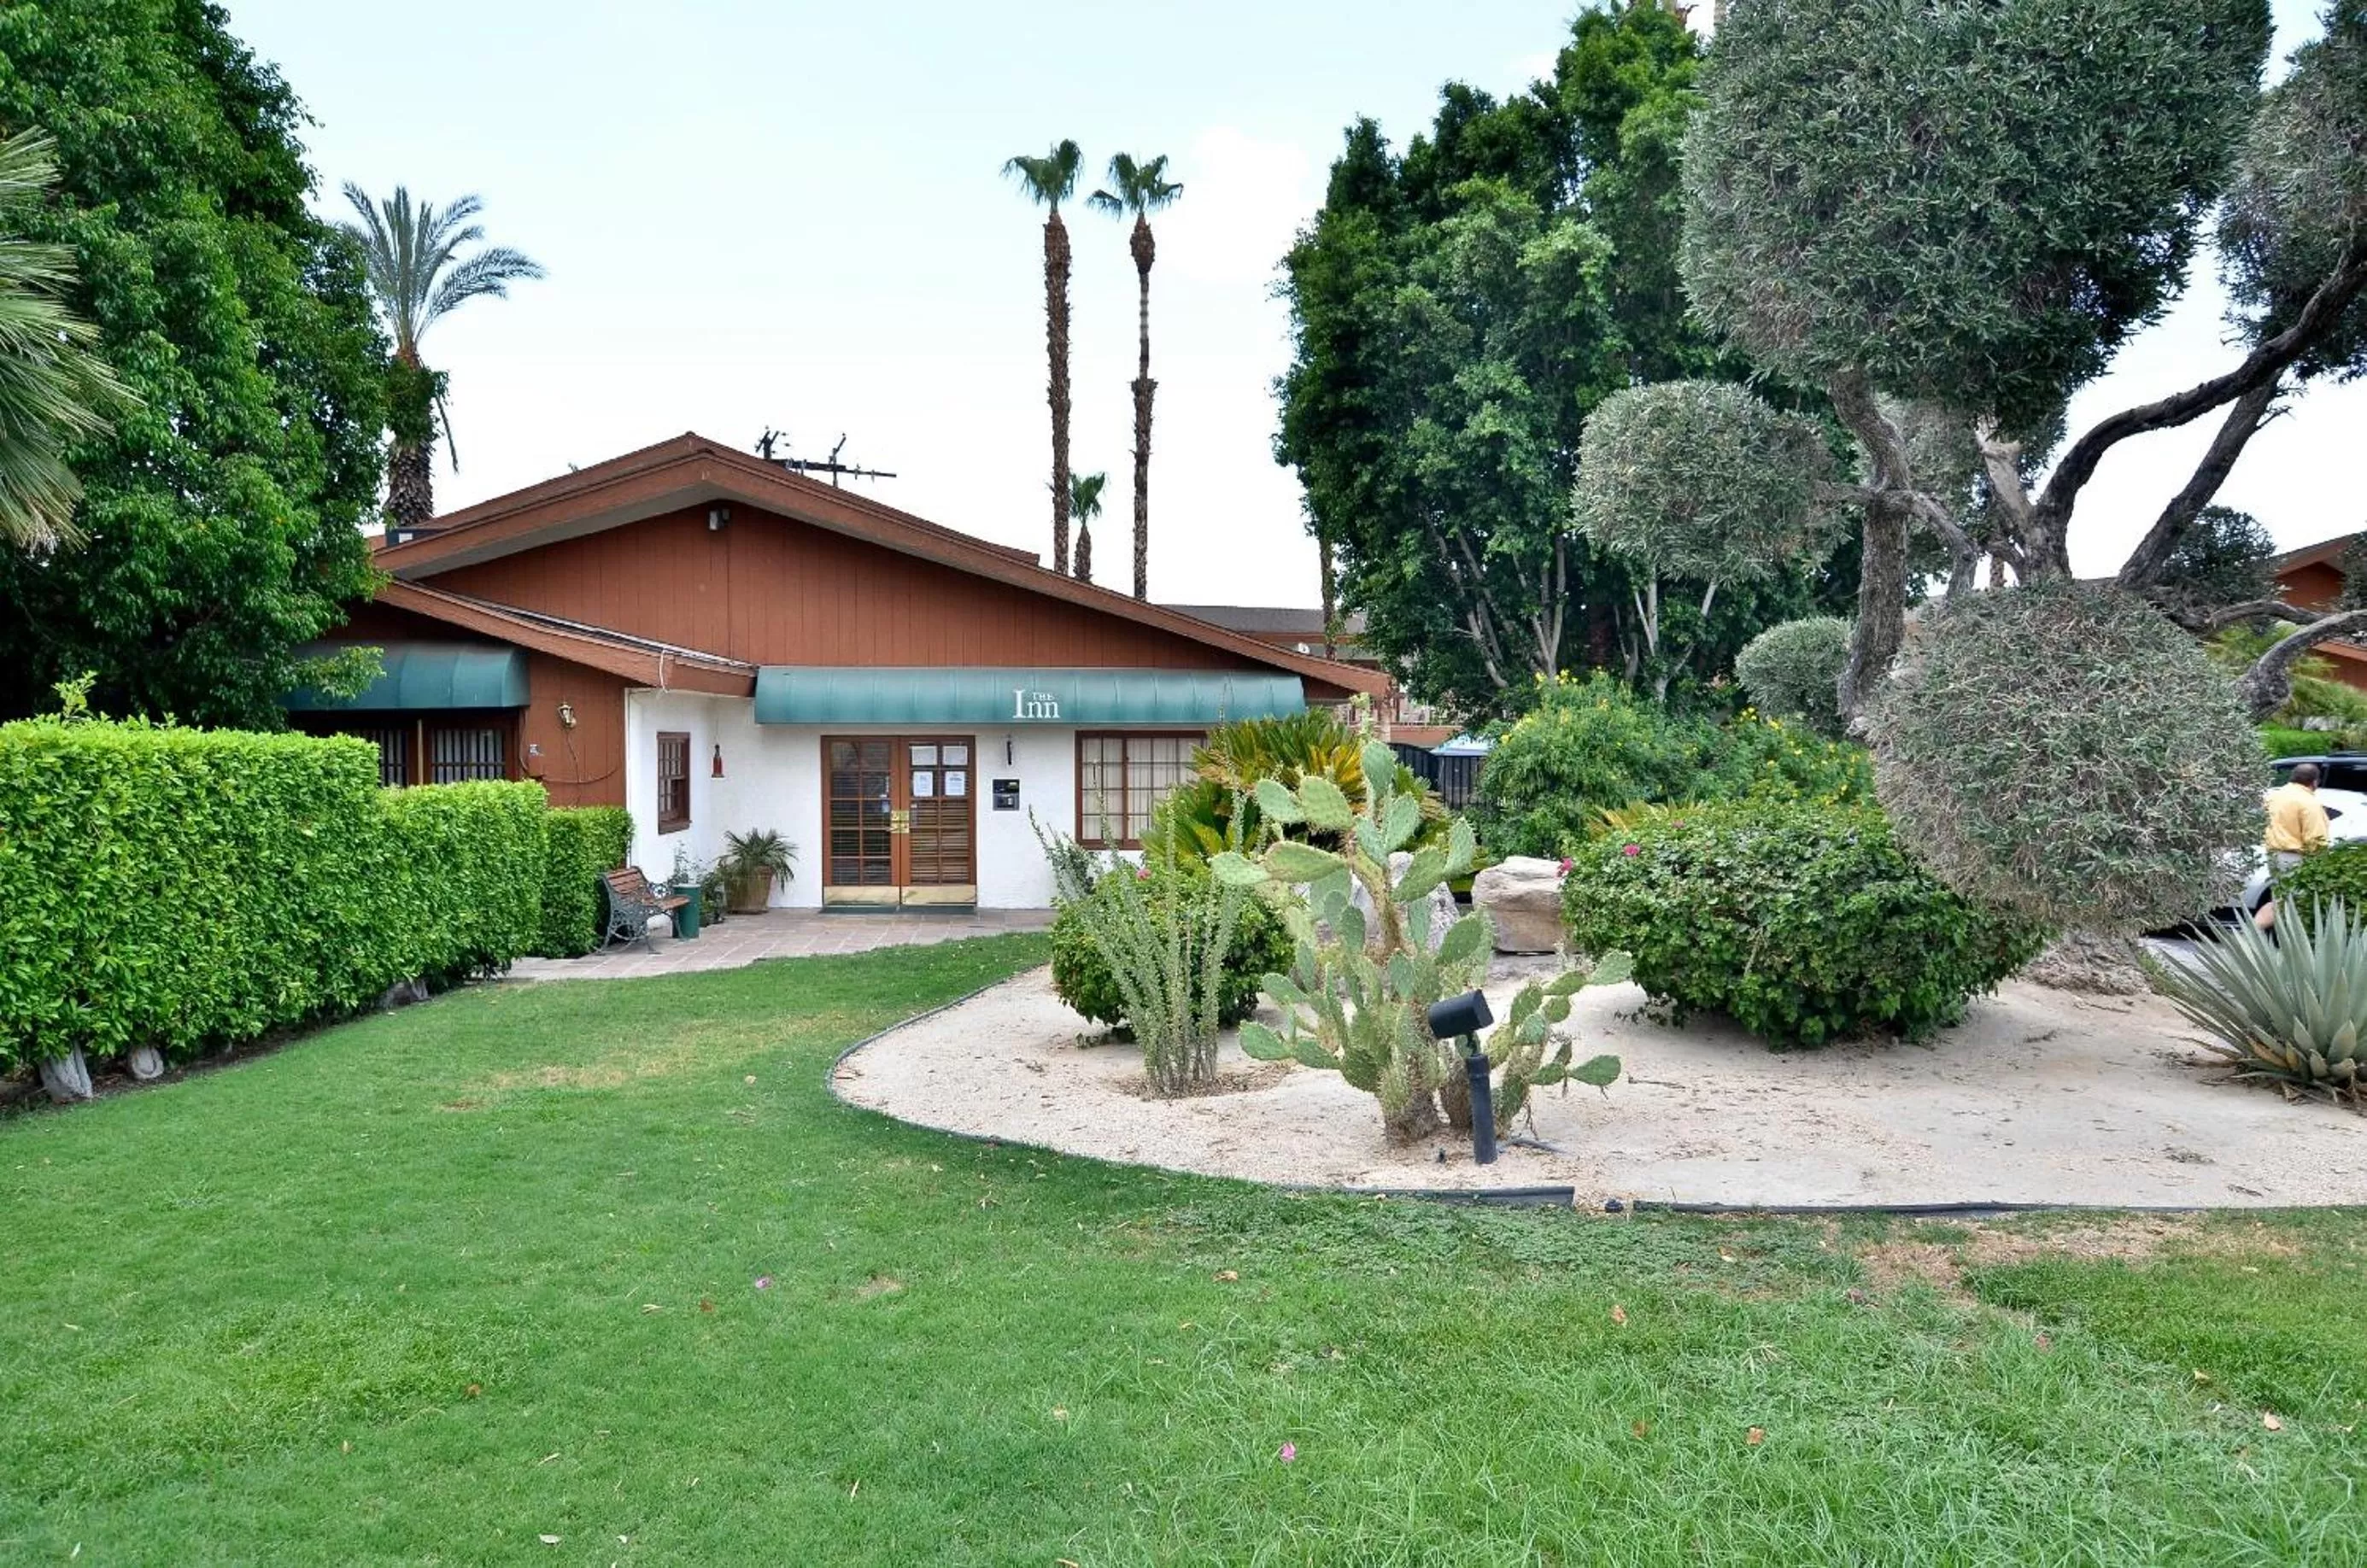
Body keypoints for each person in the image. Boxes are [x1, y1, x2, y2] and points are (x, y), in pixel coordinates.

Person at [2257, 761, 2331, 931]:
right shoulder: (2308, 802)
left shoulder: (2274, 796)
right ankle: (2256, 930)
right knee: (2292, 903)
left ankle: (2255, 932)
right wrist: (2322, 867)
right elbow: (2316, 840)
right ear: (2314, 782)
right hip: (2295, 858)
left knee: (2280, 899)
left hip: (2274, 854)